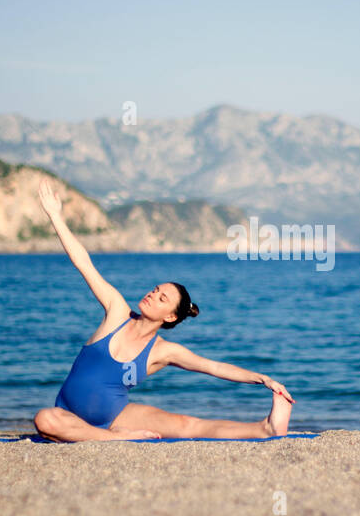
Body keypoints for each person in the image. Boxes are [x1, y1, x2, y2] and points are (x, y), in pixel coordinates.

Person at [32, 180, 295, 442]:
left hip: (117, 415)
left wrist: (263, 379)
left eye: (162, 297)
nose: (152, 294)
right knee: (45, 420)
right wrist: (55, 216)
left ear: (170, 316)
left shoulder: (163, 352)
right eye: (155, 289)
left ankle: (265, 429)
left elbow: (214, 367)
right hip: (68, 415)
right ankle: (116, 438)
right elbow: (84, 263)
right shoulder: (116, 312)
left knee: (188, 424)